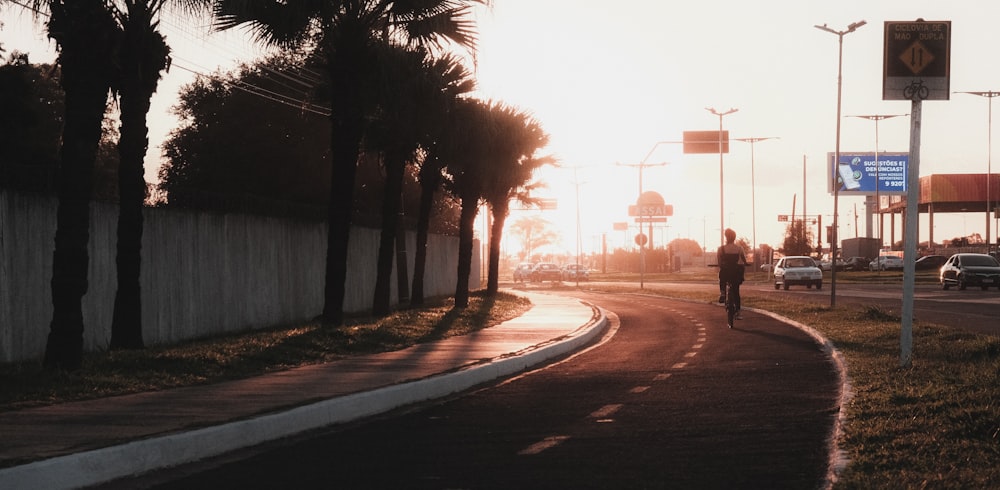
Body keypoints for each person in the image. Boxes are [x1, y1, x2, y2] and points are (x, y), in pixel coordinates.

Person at [717, 228, 747, 319]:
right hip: (735, 273)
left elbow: (719, 263)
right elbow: (744, 260)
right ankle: (738, 311)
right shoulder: (739, 248)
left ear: (726, 237)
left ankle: (722, 293)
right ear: (734, 238)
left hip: (725, 272)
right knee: (736, 292)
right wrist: (745, 264)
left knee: (722, 276)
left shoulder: (721, 249)